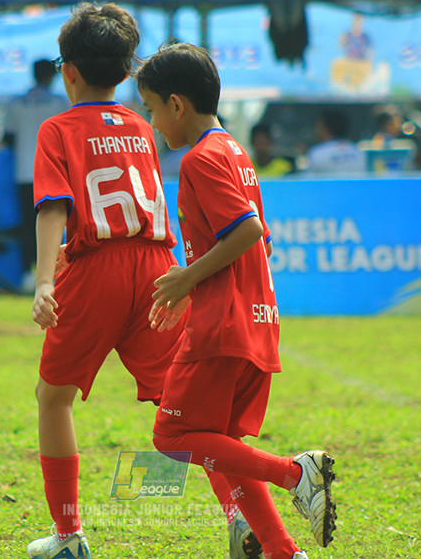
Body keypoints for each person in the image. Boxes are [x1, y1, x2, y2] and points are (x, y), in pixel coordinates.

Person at [137, 42, 336, 559]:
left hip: (222, 323)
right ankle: (281, 551)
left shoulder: (202, 158)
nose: (154, 123)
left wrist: (187, 280)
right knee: (222, 447)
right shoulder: (235, 152)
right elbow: (260, 238)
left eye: (153, 109)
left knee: (172, 436)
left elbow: (246, 231)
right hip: (254, 316)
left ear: (177, 105)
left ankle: (296, 473)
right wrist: (199, 283)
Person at [26, 3, 185, 559]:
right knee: (189, 403)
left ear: (68, 70)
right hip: (156, 265)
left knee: (54, 398)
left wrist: (45, 279)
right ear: (124, 70)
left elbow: (53, 206)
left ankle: (69, 537)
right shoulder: (143, 125)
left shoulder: (59, 127)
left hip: (96, 271)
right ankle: (243, 516)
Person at [4, 58, 70, 289]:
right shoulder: (59, 102)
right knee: (56, 223)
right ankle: (54, 273)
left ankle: (26, 275)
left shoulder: (16, 103)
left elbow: (7, 140)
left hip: (24, 171)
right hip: (53, 172)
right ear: (52, 75)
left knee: (27, 225)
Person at [305, 110, 364, 174]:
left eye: (318, 126)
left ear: (324, 128)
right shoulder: (358, 152)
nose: (316, 130)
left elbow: (308, 181)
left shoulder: (317, 153)